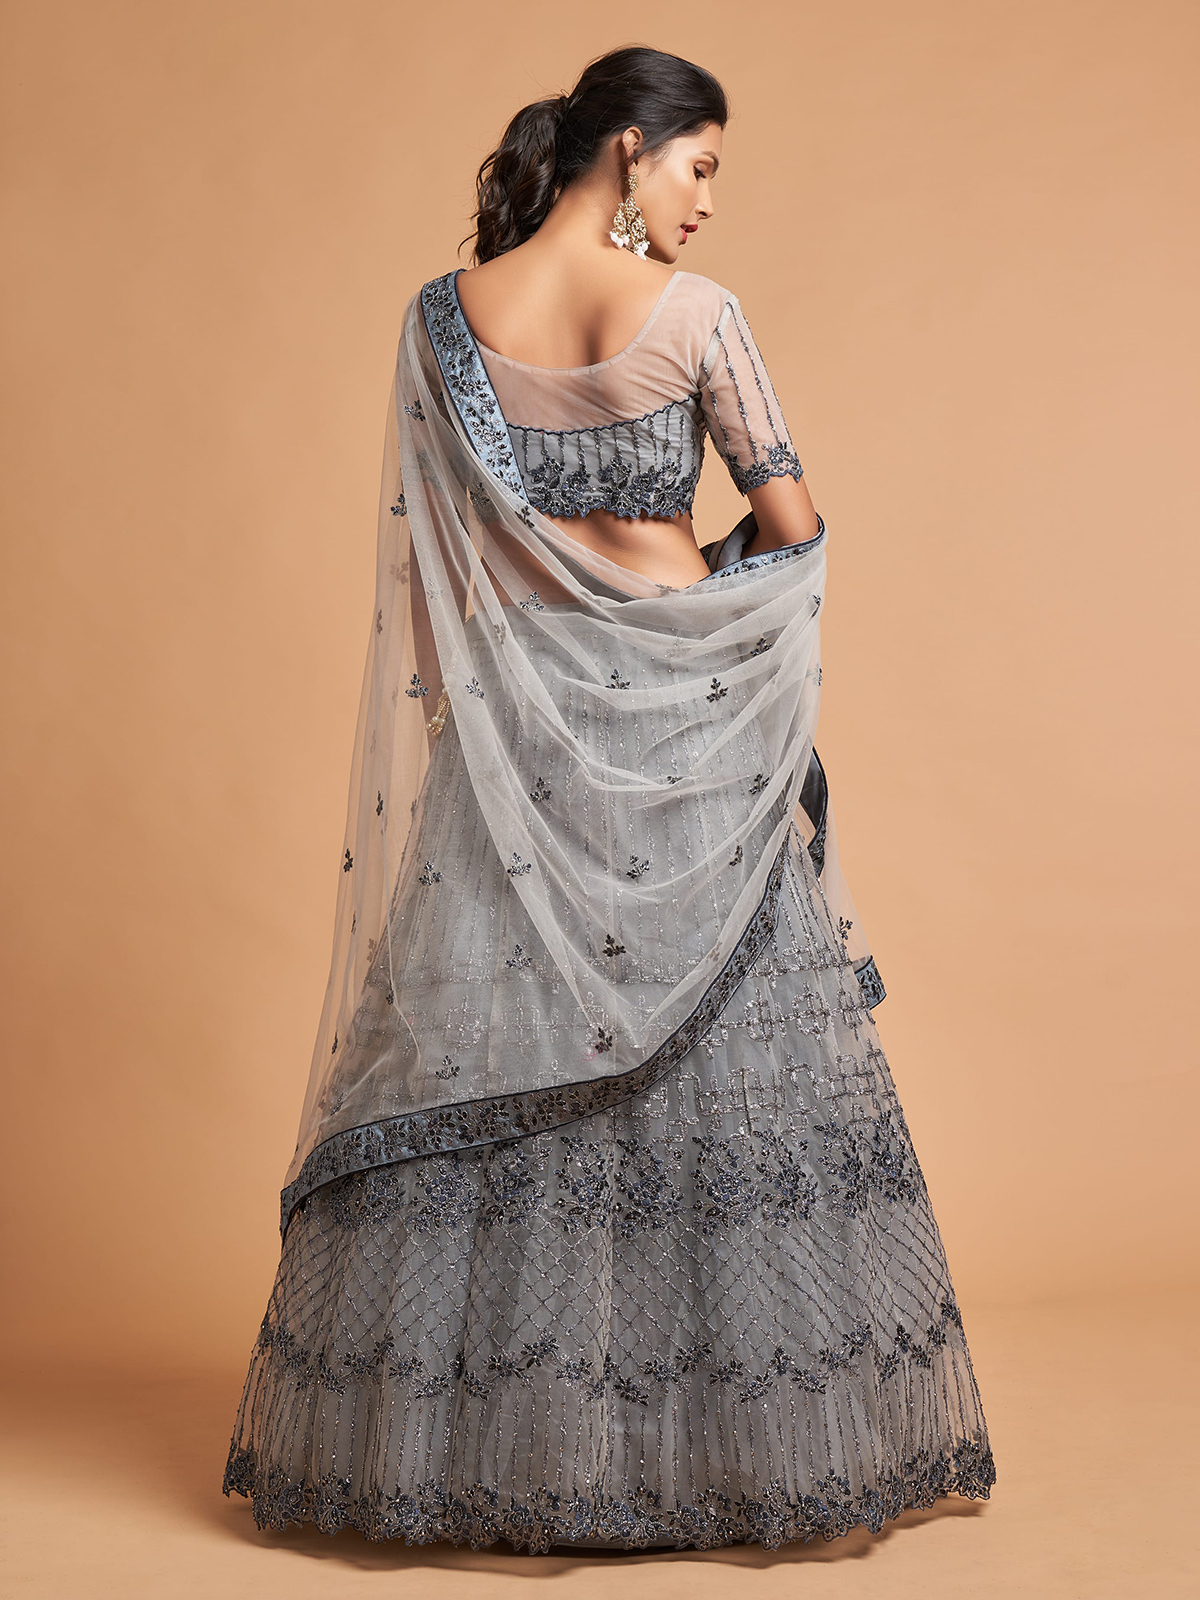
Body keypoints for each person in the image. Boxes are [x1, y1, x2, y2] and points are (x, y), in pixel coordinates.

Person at [221, 44, 995, 1554]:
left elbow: (432, 582)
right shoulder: (696, 317)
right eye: (700, 166)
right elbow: (795, 527)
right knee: (712, 1083)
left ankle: (497, 1457)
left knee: (510, 1062)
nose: (707, 201)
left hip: (519, 742)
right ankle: (714, 1454)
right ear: (632, 149)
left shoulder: (443, 321)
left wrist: (494, 723)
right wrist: (699, 619)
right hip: (688, 731)